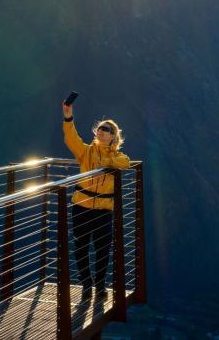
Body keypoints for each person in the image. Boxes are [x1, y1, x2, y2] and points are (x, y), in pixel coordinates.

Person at [62, 102, 130, 301]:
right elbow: (71, 138)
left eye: (106, 129)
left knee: (102, 250)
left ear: (113, 137)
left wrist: (106, 162)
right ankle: (86, 285)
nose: (101, 131)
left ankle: (100, 286)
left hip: (103, 210)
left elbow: (125, 162)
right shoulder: (86, 152)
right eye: (100, 128)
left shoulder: (118, 157)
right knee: (81, 248)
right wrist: (68, 117)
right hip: (81, 207)